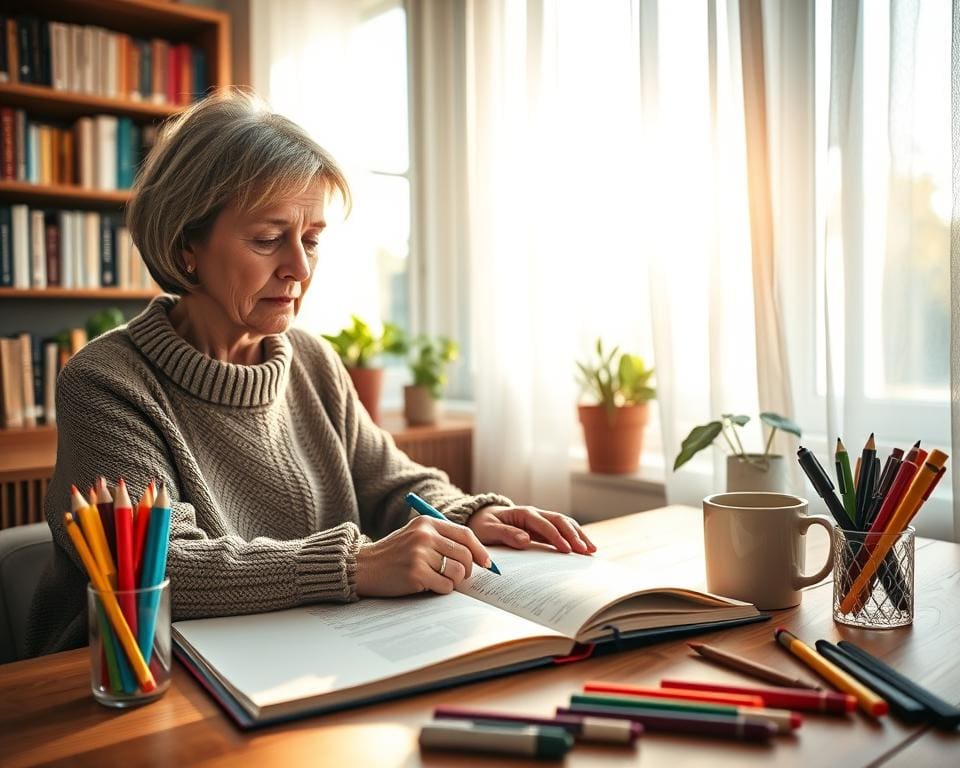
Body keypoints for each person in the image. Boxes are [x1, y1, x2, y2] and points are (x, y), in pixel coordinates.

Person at [25, 89, 595, 658]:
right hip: (139, 672)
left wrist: (475, 514)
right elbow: (159, 564)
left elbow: (392, 485)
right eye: (268, 239)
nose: (299, 267)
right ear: (185, 245)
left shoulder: (312, 360)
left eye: (313, 240)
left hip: (304, 654)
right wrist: (356, 565)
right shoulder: (106, 381)